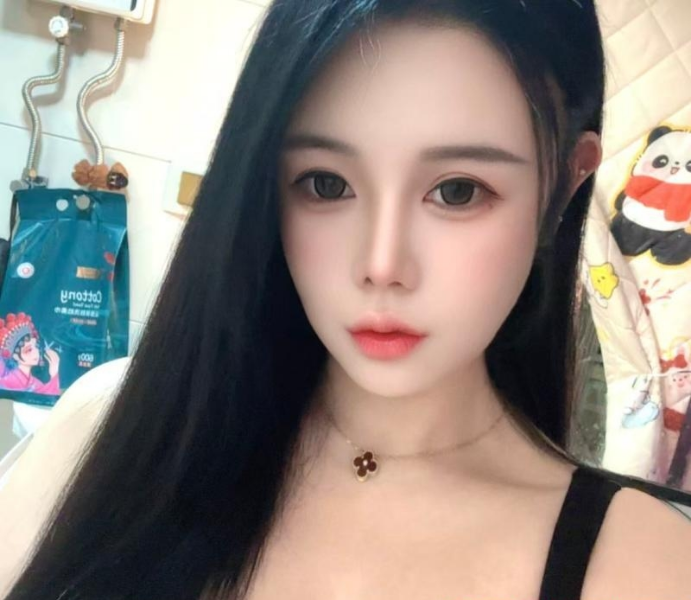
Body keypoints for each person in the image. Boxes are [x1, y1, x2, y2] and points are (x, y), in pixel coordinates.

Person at [0, 1, 689, 599]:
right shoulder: (101, 431)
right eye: (326, 183)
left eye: (457, 191)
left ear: (564, 184)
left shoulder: (643, 567)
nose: (380, 266)